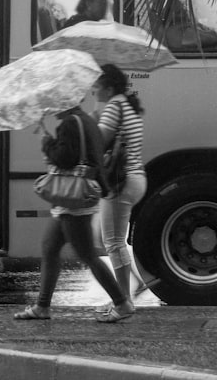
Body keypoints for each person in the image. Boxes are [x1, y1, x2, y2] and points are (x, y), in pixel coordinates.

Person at [14, 106, 134, 323]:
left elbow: (65, 158)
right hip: (73, 197)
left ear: (66, 102)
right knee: (50, 247)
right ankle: (42, 306)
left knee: (87, 254)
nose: (50, 108)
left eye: (54, 103)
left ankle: (122, 303)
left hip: (74, 200)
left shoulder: (70, 123)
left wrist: (47, 143)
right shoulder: (86, 119)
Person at [93, 64, 157, 306]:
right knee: (105, 238)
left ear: (109, 88)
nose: (93, 90)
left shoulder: (113, 107)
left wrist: (93, 120)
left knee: (113, 243)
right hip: (135, 178)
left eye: (97, 86)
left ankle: (123, 301)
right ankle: (135, 285)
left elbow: (97, 143)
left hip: (120, 181)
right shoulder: (127, 104)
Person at [150, 0, 217, 51]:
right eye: (180, 11)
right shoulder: (174, 32)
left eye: (184, 8)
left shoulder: (178, 29)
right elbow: (212, 39)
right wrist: (213, 33)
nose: (185, 11)